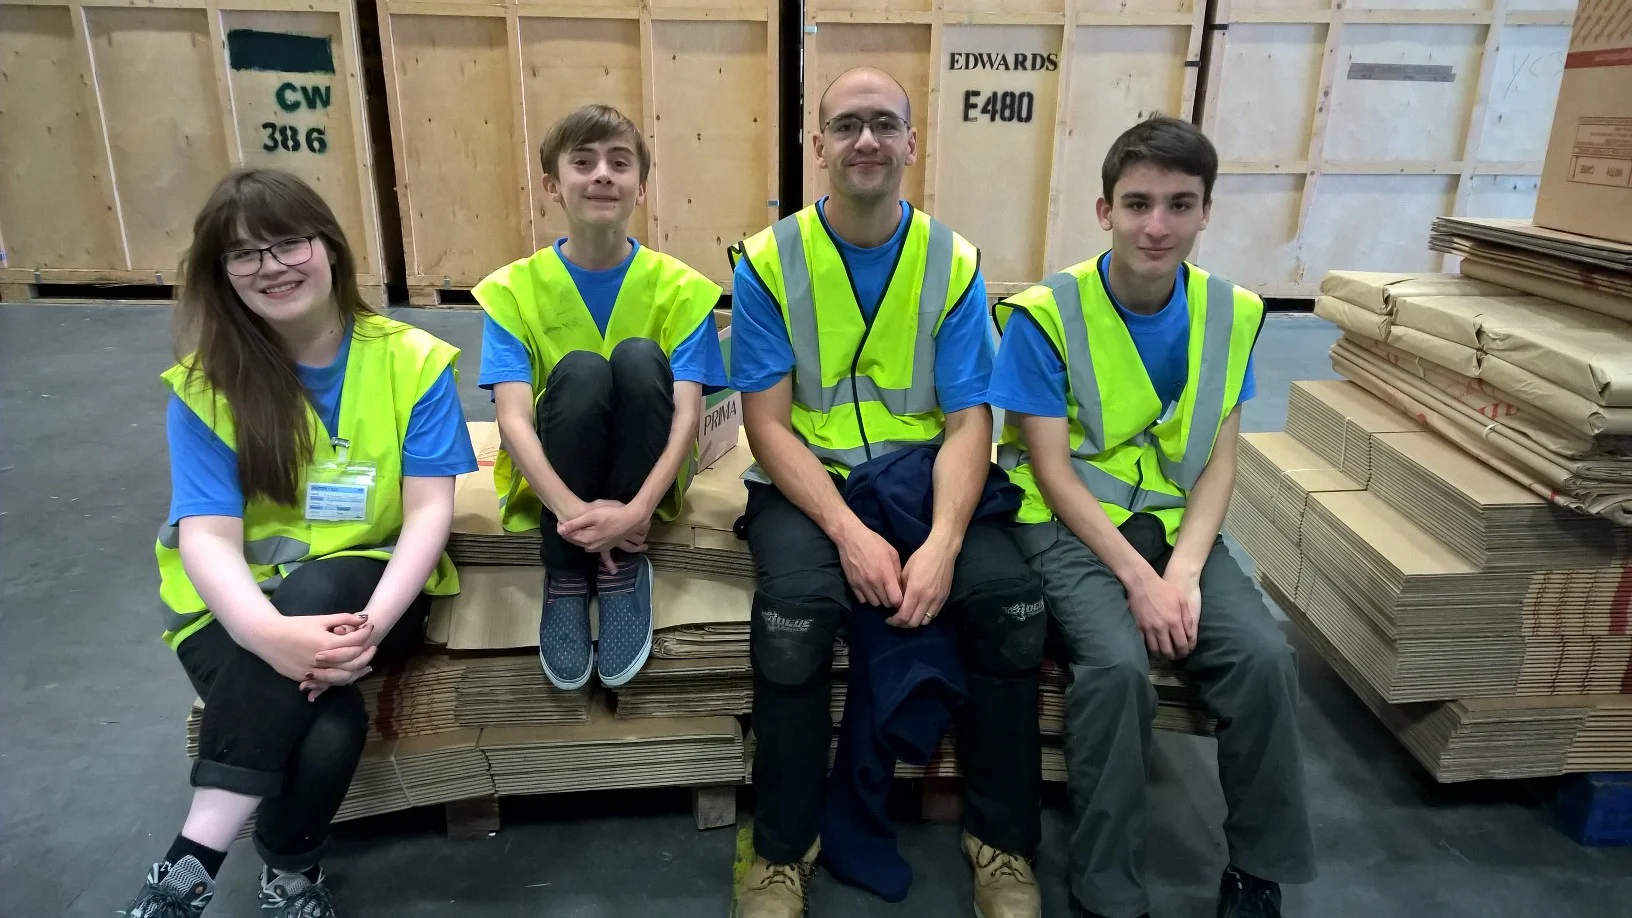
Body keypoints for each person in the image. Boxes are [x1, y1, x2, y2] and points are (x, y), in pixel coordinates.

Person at [728, 67, 1047, 918]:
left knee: (1010, 608)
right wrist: (848, 533)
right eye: (846, 125)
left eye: (882, 123)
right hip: (810, 482)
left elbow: (970, 420)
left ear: (912, 141)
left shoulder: (952, 261)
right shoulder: (769, 262)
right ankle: (781, 852)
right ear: (818, 144)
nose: (864, 140)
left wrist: (941, 543)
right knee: (794, 620)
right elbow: (767, 425)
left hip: (923, 477)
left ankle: (1002, 843)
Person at [124, 169, 477, 918]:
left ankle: (185, 871)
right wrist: (268, 633)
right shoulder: (206, 387)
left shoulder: (412, 360)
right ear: (221, 273)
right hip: (229, 608)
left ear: (330, 248)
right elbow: (208, 538)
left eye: (289, 243)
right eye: (244, 254)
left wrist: (370, 629)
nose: (272, 266)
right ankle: (288, 875)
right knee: (326, 726)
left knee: (318, 589)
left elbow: (427, 516)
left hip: (369, 596)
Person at [987, 116, 1315, 918]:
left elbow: (1220, 462)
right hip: (1067, 525)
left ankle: (1258, 870)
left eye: (1179, 204)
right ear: (1105, 211)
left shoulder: (1231, 313)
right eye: (1137, 204)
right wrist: (1141, 582)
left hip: (1175, 527)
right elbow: (1052, 470)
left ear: (1206, 212)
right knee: (1116, 670)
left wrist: (1186, 574)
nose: (1157, 225)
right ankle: (1108, 889)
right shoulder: (1046, 314)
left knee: (1265, 659)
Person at [476, 104, 726, 691]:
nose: (602, 175)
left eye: (619, 162)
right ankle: (566, 569)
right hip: (557, 483)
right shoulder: (512, 290)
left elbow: (687, 417)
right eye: (583, 163)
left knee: (639, 357)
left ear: (642, 184)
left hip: (645, 479)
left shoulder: (683, 289)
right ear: (552, 185)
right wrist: (570, 515)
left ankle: (623, 563)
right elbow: (513, 420)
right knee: (583, 371)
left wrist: (636, 512)